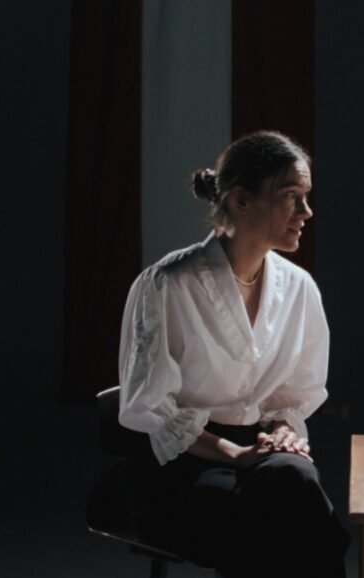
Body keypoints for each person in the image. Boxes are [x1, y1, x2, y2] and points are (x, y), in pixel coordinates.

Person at [118, 131, 348, 577]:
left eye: (306, 197)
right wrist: (236, 455)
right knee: (283, 515)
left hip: (260, 454)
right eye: (291, 197)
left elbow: (291, 395)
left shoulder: (299, 288)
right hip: (182, 463)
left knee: (292, 482)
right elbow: (152, 411)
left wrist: (282, 430)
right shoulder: (168, 284)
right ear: (242, 200)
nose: (306, 212)